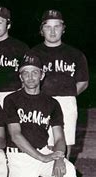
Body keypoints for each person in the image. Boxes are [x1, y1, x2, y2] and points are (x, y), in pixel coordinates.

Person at [3, 54, 80, 177]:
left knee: (69, 171)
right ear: (20, 77)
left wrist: (59, 158)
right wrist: (42, 157)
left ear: (42, 75)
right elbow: (15, 135)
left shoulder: (52, 103)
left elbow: (59, 138)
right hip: (20, 157)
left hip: (43, 152)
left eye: (34, 72)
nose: (30, 77)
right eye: (26, 73)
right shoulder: (11, 100)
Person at [31, 10, 89, 159]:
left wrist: (67, 94)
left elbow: (83, 82)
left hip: (66, 102)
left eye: (56, 26)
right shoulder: (33, 54)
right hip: (40, 102)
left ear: (63, 29)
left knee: (65, 144)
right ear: (41, 30)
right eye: (48, 27)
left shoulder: (75, 54)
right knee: (43, 144)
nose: (52, 31)